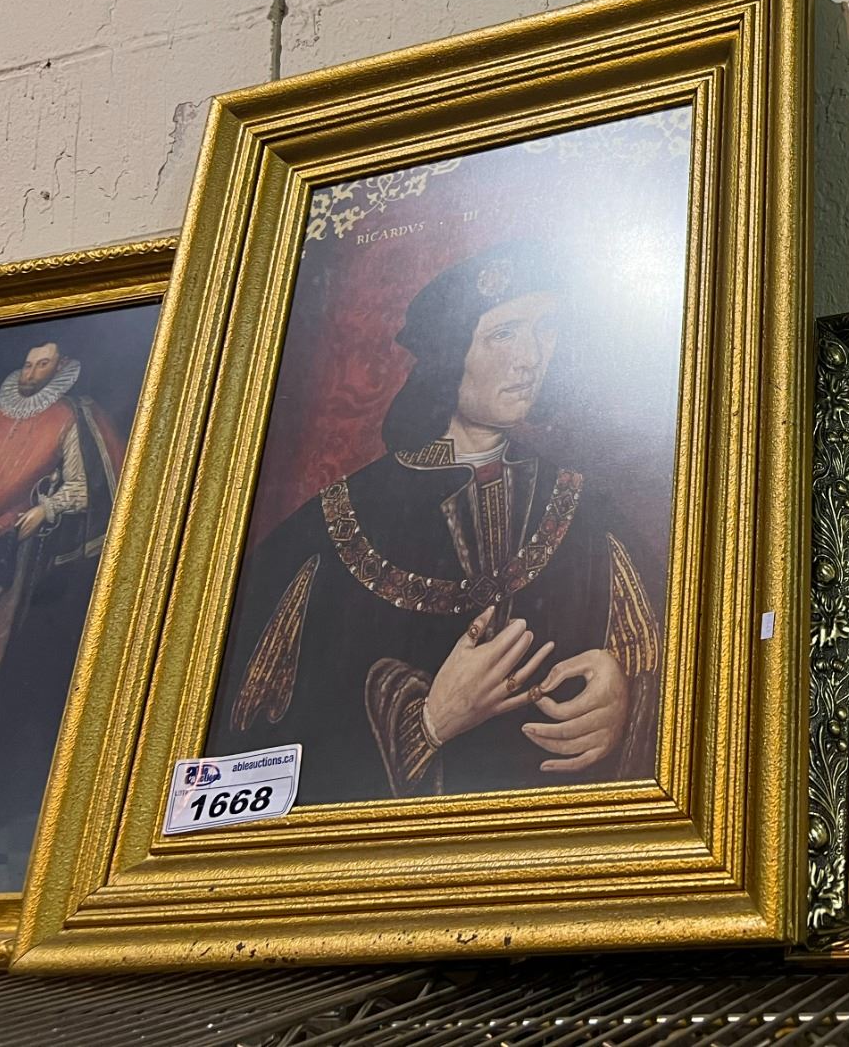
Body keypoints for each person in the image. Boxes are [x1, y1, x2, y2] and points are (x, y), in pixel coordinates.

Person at [211, 242, 662, 803]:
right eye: (503, 334)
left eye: (544, 330)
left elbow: (689, 681)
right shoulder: (329, 528)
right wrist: (427, 723)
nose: (530, 358)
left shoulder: (587, 510)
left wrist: (627, 691)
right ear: (452, 354)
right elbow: (249, 759)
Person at [0, 340, 127, 891]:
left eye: (41, 364)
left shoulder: (69, 417)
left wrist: (43, 509)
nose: (30, 372)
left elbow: (82, 488)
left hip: (19, 566)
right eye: (27, 363)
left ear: (60, 369)